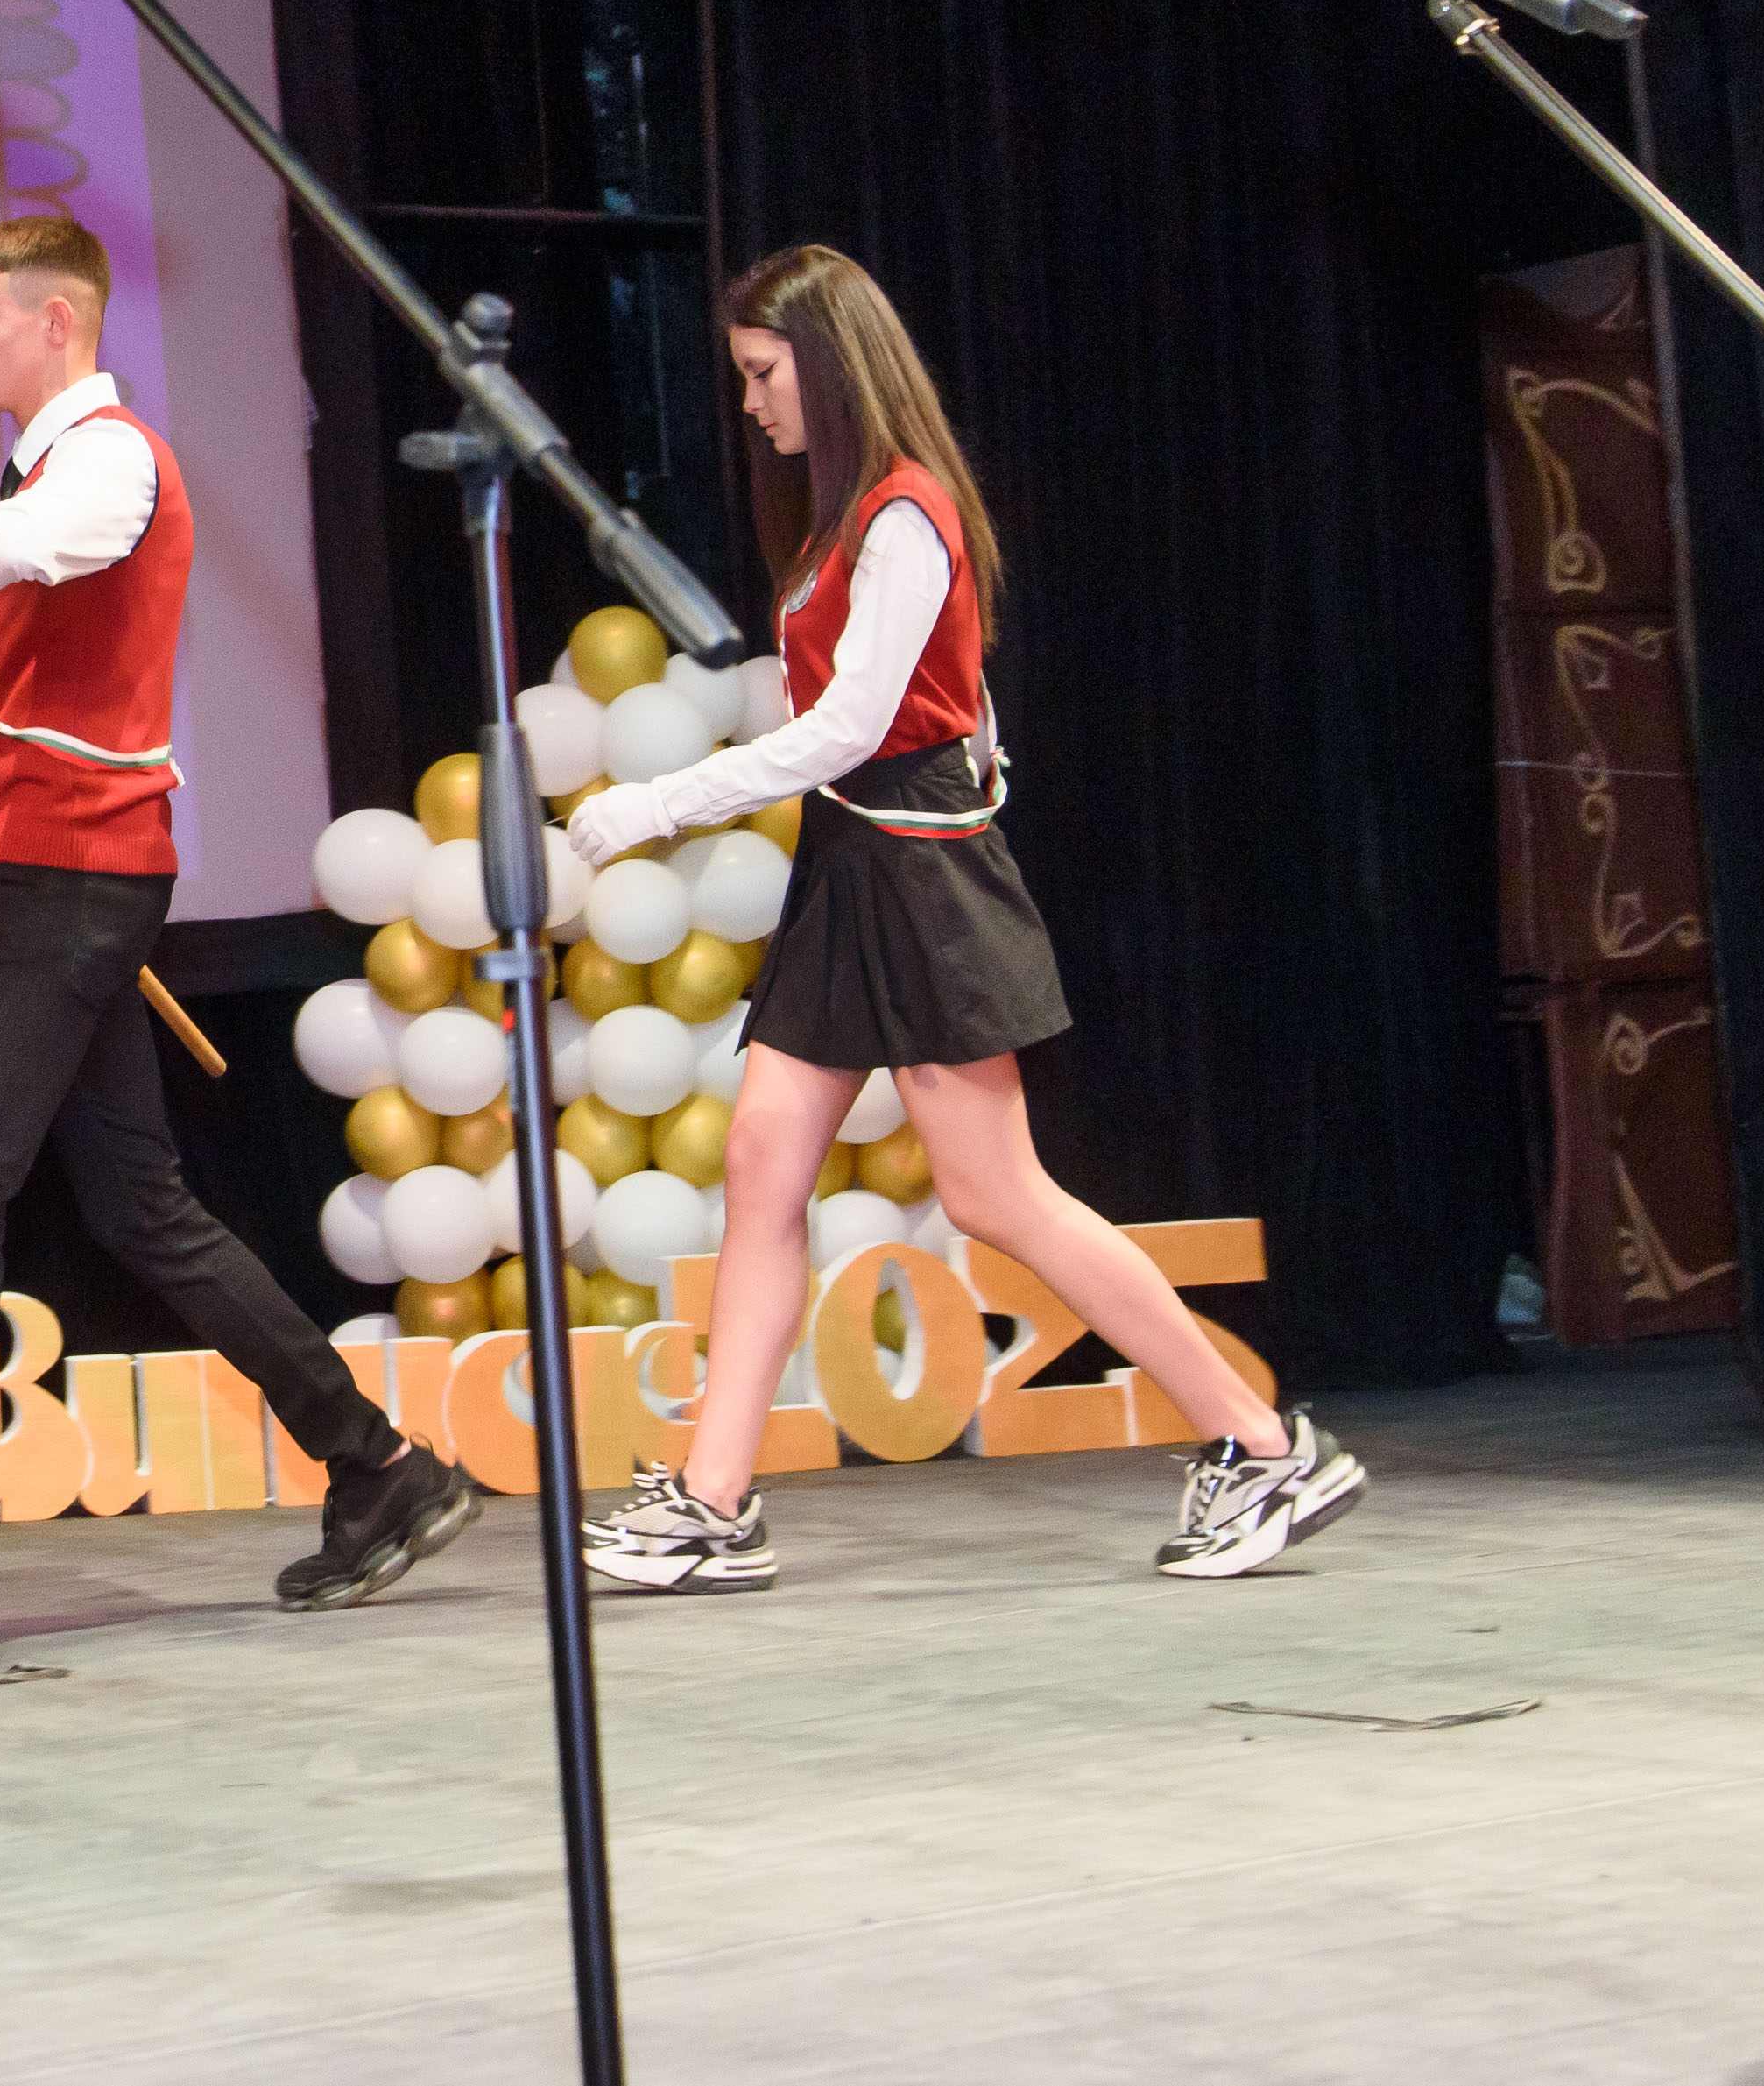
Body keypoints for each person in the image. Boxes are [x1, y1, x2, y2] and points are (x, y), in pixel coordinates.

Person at [565, 247, 1366, 1591]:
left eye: (761, 374)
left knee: (994, 1193)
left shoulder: (901, 510)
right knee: (762, 1160)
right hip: (858, 860)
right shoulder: (847, 518)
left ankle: (1260, 1441)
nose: (749, 403)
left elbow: (853, 724)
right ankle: (711, 1498)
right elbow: (938, 704)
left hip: (913, 864)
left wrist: (657, 804)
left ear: (826, 365)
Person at [0, 216, 476, 1658]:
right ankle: (381, 1468)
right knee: (141, 1206)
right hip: (64, 878)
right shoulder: (53, 462)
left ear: (56, 323)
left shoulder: (110, 461)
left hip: (71, 882)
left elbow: (17, 546)